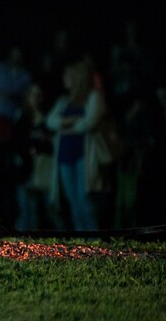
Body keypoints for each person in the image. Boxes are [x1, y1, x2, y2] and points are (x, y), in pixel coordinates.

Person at [46, 60, 107, 231]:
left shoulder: (94, 97)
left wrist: (65, 127)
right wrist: (71, 121)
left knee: (84, 198)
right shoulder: (64, 101)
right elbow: (51, 121)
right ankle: (82, 241)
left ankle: (95, 239)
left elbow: (89, 122)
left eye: (67, 75)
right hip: (65, 156)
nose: (64, 79)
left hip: (84, 156)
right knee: (73, 199)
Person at [12, 84, 57, 231]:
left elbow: (51, 145)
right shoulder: (22, 119)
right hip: (26, 172)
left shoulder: (50, 119)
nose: (36, 98)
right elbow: (18, 143)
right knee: (28, 212)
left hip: (46, 171)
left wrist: (38, 144)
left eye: (39, 94)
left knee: (50, 212)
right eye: (32, 94)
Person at [0, 46, 32, 121]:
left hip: (12, 117)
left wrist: (12, 96)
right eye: (13, 54)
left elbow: (27, 98)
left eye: (18, 55)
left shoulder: (25, 76)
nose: (15, 58)